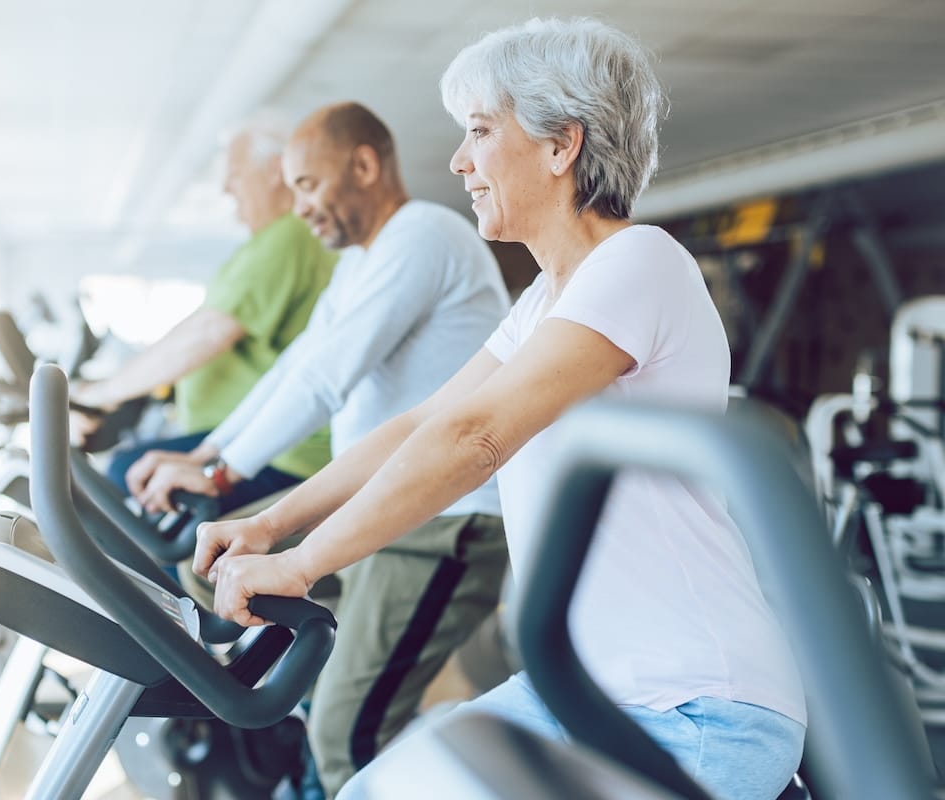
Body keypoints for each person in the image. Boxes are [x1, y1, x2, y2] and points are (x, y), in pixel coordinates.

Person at [195, 18, 807, 800]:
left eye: (480, 131)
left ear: (562, 145)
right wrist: (273, 524)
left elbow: (477, 437)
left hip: (695, 706)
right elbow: (418, 424)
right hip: (586, 695)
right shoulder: (544, 302)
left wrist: (303, 565)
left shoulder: (639, 262)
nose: (459, 162)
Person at [130, 102, 511, 798]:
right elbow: (295, 365)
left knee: (345, 735)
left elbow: (325, 379)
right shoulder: (360, 262)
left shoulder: (423, 235)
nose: (299, 206)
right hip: (381, 506)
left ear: (364, 166)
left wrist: (220, 471)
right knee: (215, 568)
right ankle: (305, 746)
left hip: (447, 523)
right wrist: (208, 454)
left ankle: (334, 758)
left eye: (308, 184)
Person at [70, 114, 336, 513]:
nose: (226, 189)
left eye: (236, 174)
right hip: (243, 433)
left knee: (128, 472)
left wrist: (103, 396)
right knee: (134, 473)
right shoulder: (271, 241)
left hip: (286, 452)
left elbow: (209, 333)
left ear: (276, 171)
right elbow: (200, 326)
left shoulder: (290, 236)